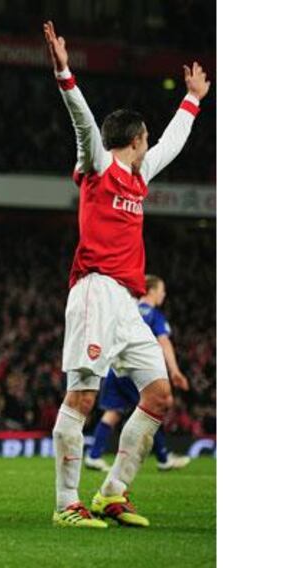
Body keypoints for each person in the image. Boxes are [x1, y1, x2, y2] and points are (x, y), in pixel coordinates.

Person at [43, 20, 209, 528]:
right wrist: (65, 72)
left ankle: (112, 492)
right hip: (94, 290)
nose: (150, 143)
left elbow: (174, 144)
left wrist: (192, 100)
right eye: (146, 138)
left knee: (158, 394)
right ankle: (66, 502)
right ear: (135, 139)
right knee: (83, 395)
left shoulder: (139, 177)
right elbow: (82, 123)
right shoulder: (97, 165)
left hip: (129, 304)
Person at [85, 275, 192, 473]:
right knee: (154, 407)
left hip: (115, 367)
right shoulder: (154, 315)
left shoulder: (128, 308)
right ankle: (163, 457)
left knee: (114, 412)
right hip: (137, 370)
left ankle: (94, 455)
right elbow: (164, 341)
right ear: (151, 291)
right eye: (162, 290)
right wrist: (175, 370)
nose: (164, 294)